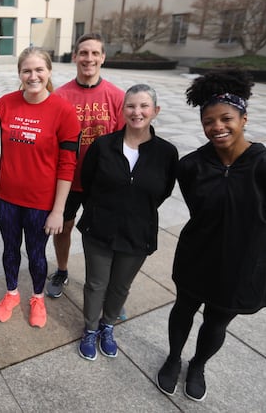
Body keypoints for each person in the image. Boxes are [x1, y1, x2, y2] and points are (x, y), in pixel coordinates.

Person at [156, 72, 266, 402]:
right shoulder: (191, 166)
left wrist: (253, 247)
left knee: (216, 322)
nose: (217, 127)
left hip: (240, 265)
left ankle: (198, 366)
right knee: (183, 309)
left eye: (226, 118)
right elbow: (198, 208)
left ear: (244, 118)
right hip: (196, 255)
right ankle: (173, 357)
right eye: (209, 121)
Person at [75, 84, 178, 361]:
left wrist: (135, 209)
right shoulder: (103, 145)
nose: (137, 112)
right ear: (122, 111)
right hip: (99, 227)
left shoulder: (166, 153)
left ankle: (108, 326)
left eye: (144, 106)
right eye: (131, 106)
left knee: (120, 285)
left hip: (138, 231)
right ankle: (91, 329)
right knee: (96, 283)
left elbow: (164, 190)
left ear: (155, 111)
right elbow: (87, 181)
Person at [0, 47, 80, 328]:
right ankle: (12, 293)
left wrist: (58, 210)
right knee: (9, 249)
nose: (33, 76)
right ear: (19, 73)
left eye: (39, 70)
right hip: (6, 198)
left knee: (36, 253)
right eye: (27, 71)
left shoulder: (63, 110)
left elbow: (68, 165)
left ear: (49, 72)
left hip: (40, 202)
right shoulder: (5, 104)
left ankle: (37, 297)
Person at [47, 33, 125, 299]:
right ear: (75, 57)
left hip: (101, 183)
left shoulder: (116, 97)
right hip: (67, 179)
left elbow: (125, 143)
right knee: (63, 227)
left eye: (94, 53)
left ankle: (99, 283)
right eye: (83, 53)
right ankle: (62, 269)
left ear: (103, 57)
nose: (88, 58)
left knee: (99, 236)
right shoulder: (60, 96)